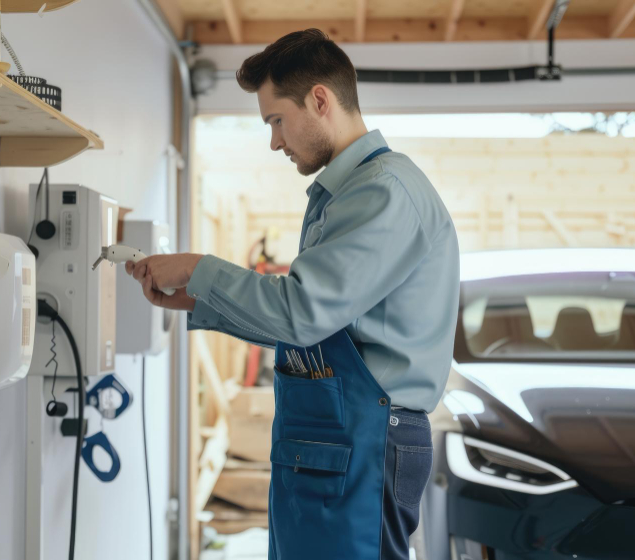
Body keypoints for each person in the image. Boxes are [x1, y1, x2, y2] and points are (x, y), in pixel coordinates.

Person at [126, 29, 460, 560]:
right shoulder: (349, 192)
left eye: (276, 120)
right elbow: (313, 321)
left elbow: (302, 312)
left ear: (320, 100)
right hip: (343, 435)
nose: (275, 142)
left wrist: (199, 268)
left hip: (368, 437)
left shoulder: (384, 193)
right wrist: (200, 298)